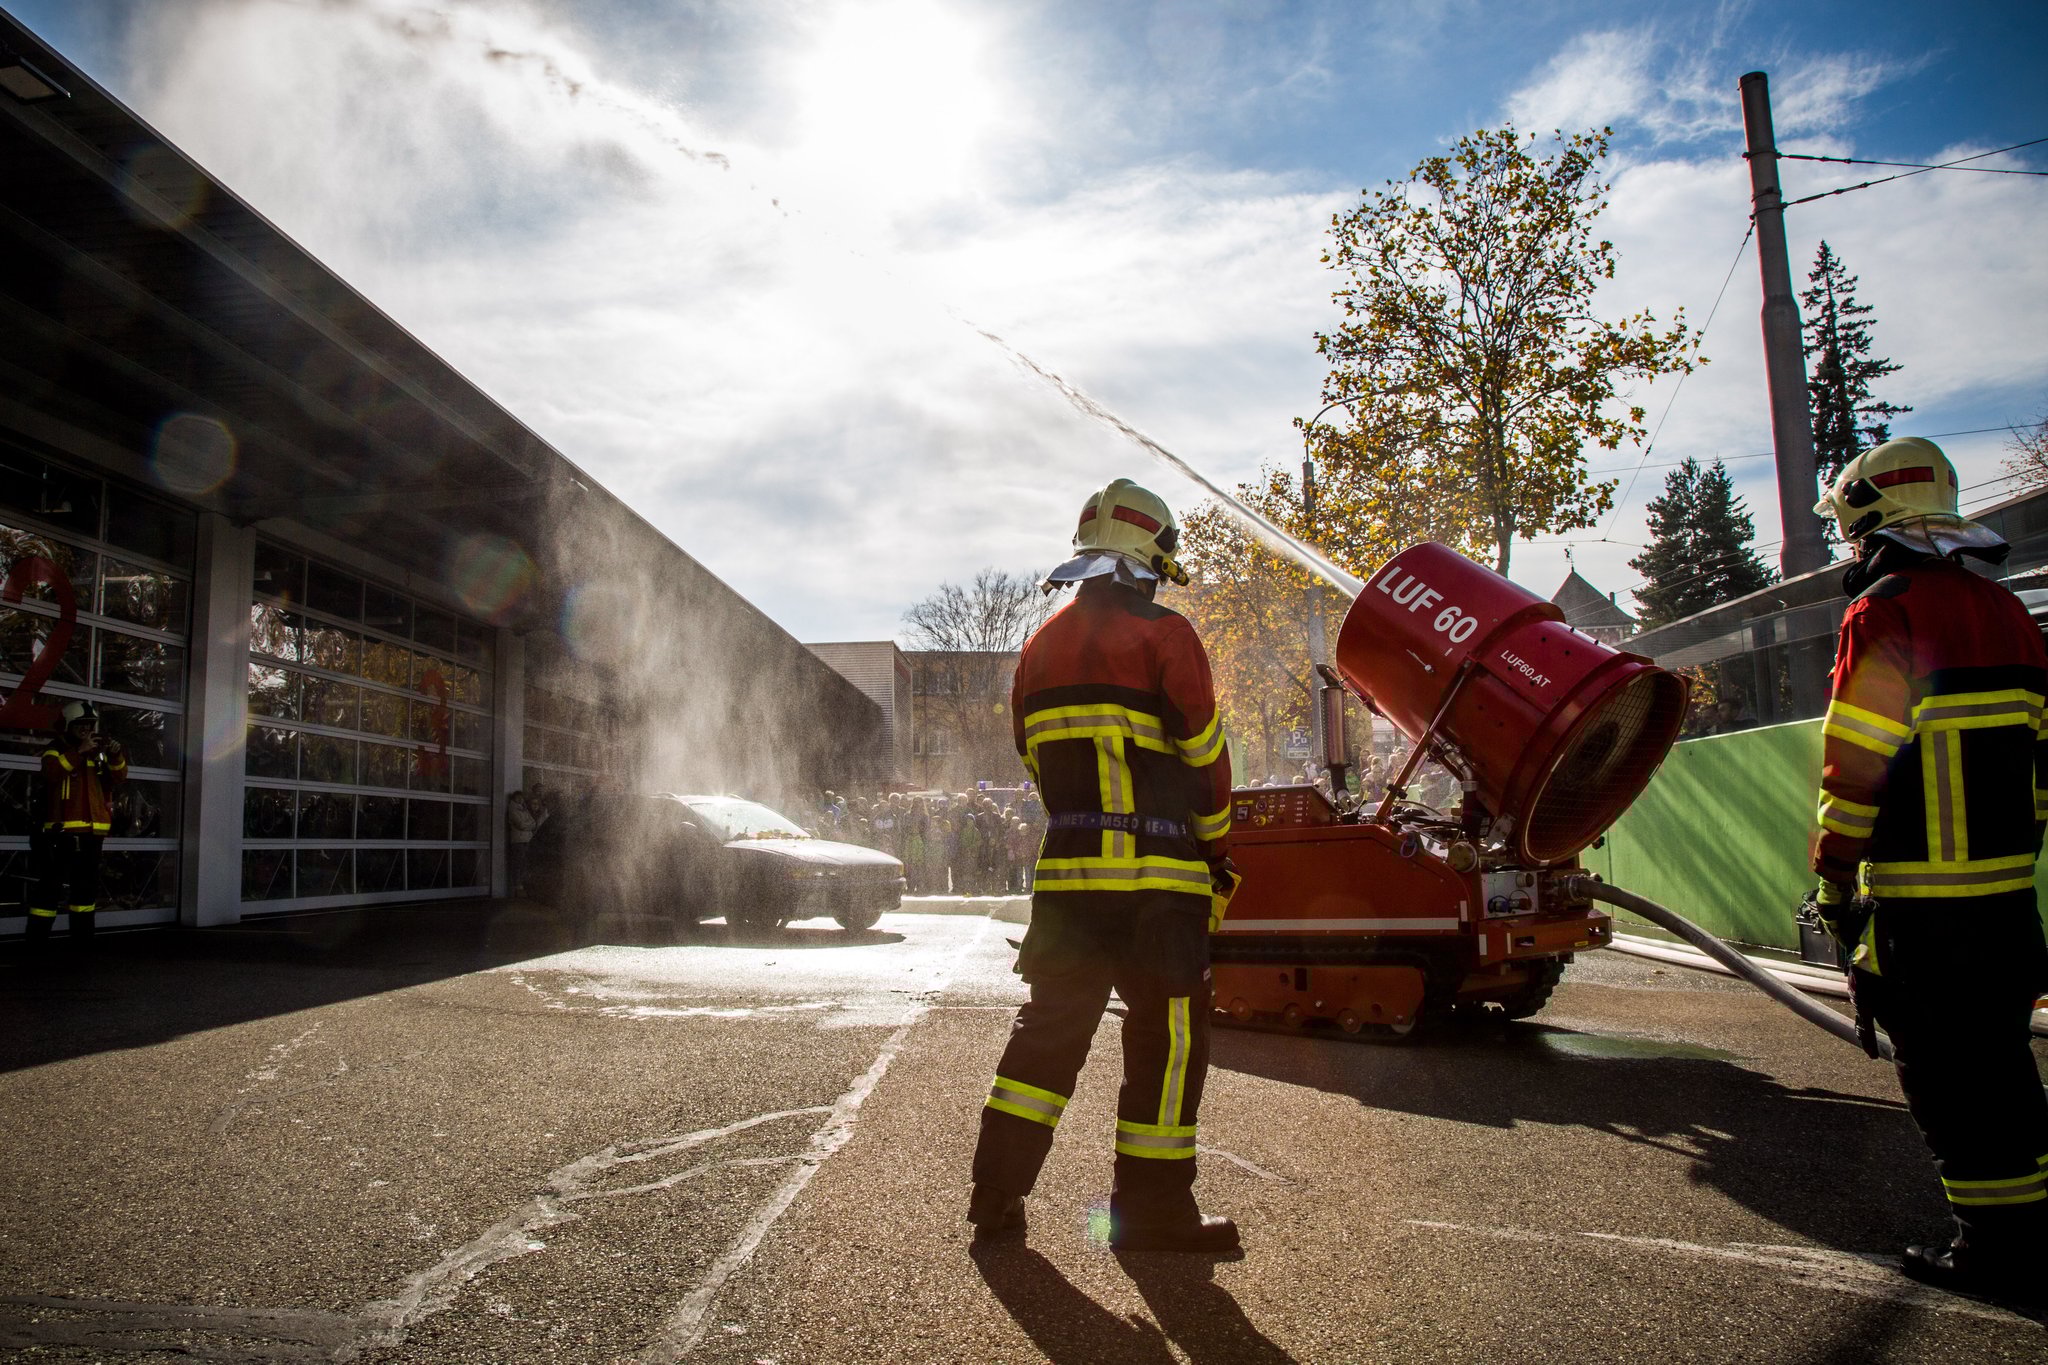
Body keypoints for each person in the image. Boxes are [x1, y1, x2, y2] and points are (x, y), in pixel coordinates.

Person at [967, 478, 1238, 1253]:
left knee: (1046, 1037)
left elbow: (1032, 756)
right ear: (1149, 557)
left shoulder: (1037, 648)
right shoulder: (1168, 636)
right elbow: (1206, 762)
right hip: (1159, 885)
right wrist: (1216, 852)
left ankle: (995, 1196)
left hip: (1068, 886)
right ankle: (1150, 1214)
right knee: (1168, 1038)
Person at [1806, 437, 2048, 1303]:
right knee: (2004, 1069)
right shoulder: (2009, 611)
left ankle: (1997, 1251)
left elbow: (1856, 767)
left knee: (1949, 1083)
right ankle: (2031, 1230)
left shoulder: (1884, 611)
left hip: (1924, 912)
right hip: (2011, 905)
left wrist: (1834, 879)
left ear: (1870, 519)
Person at [28, 701, 127, 956]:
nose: (86, 731)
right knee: (50, 888)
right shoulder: (56, 750)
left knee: (85, 891)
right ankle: (35, 944)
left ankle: (82, 944)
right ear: (69, 727)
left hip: (92, 833)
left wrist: (115, 756)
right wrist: (79, 752)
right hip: (61, 834)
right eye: (80, 726)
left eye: (89, 726)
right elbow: (51, 774)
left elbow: (118, 777)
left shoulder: (98, 754)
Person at [506, 790, 538, 895]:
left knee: (524, 863)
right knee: (518, 863)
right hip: (518, 840)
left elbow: (534, 823)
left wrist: (527, 825)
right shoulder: (512, 809)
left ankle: (522, 884)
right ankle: (516, 885)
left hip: (527, 839)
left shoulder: (524, 809)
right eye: (518, 797)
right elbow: (521, 825)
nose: (520, 799)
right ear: (514, 798)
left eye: (522, 797)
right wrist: (528, 825)